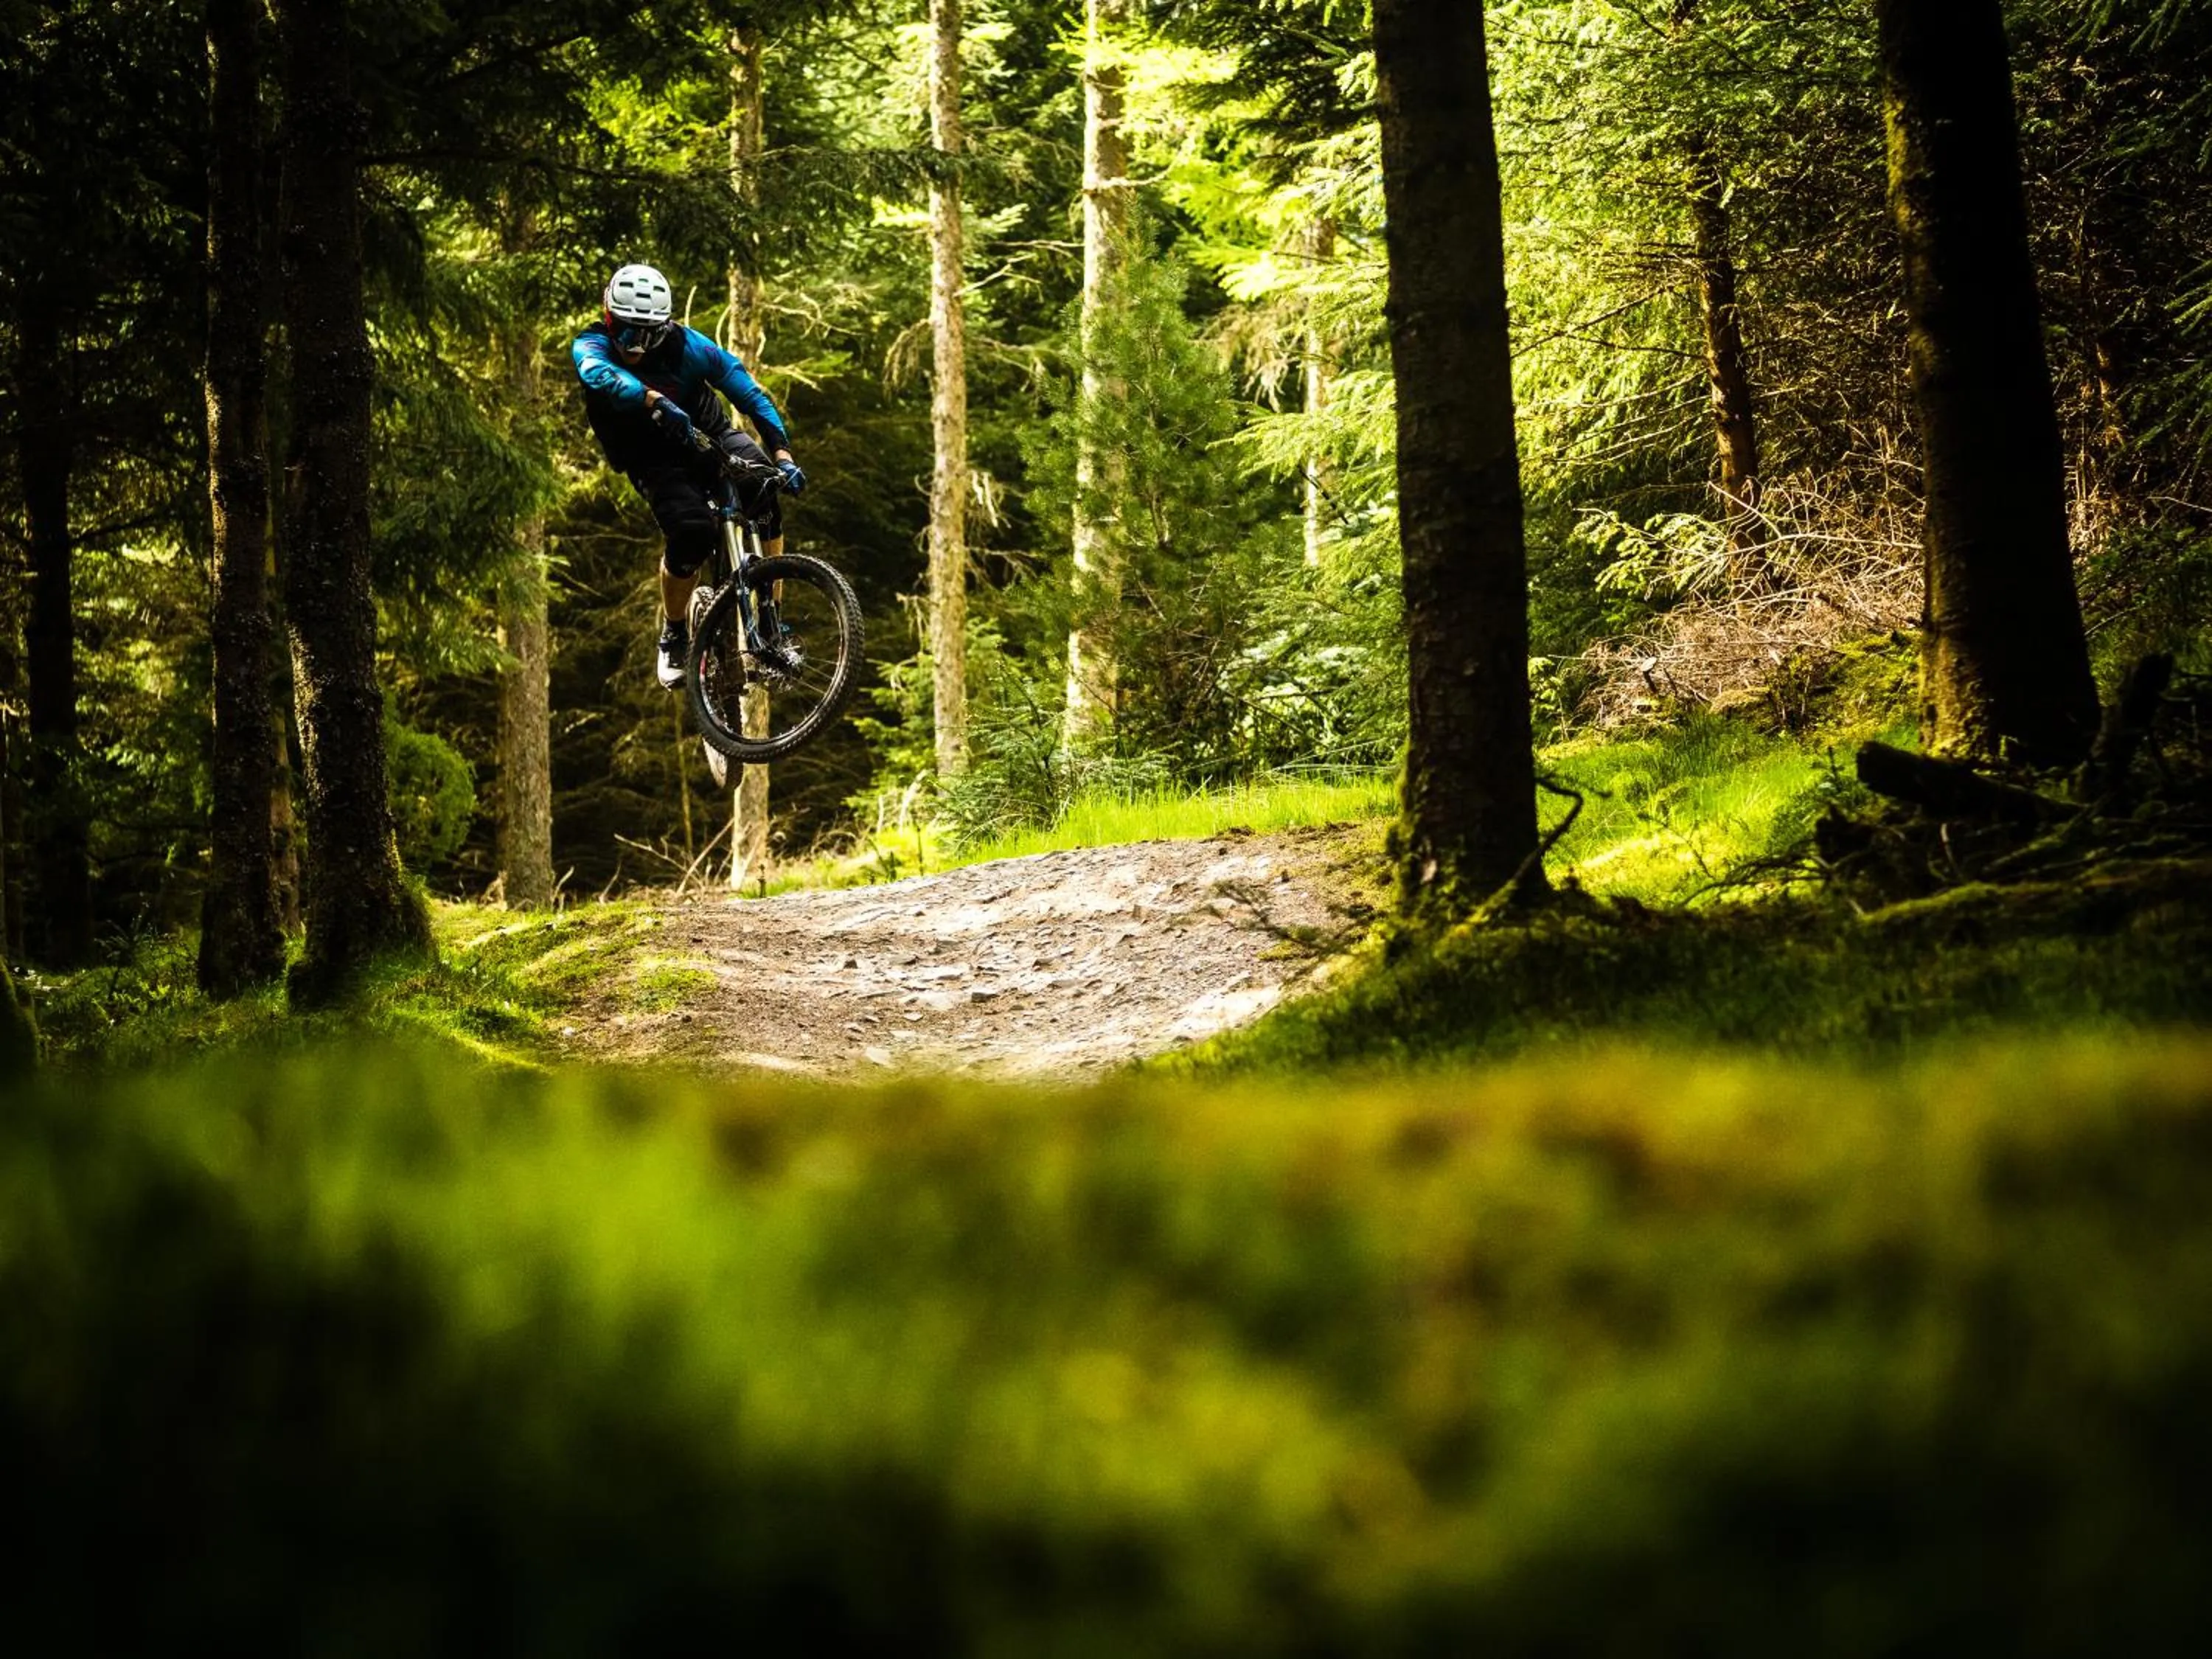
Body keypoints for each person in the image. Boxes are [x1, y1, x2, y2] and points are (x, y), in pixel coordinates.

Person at [572, 262, 807, 689]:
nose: (635, 345)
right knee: (692, 530)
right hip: (651, 457)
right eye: (626, 332)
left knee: (765, 489)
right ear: (609, 319)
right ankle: (675, 633)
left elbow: (749, 394)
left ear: (664, 327)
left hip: (711, 435)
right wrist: (652, 400)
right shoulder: (591, 345)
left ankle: (771, 621)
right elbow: (598, 374)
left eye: (647, 334)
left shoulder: (691, 347)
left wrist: (784, 456)